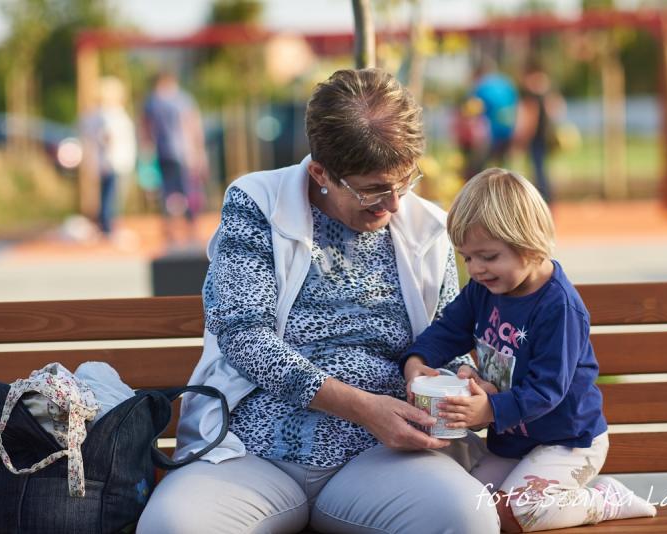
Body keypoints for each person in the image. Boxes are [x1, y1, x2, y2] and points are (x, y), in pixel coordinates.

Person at [136, 68, 500, 533]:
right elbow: (245, 338)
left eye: (404, 181)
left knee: (464, 517)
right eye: (371, 190)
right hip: (253, 453)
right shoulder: (258, 205)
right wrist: (363, 407)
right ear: (320, 172)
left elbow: (448, 339)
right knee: (172, 526)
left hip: (382, 457)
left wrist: (453, 376)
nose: (392, 205)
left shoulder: (427, 225)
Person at [402, 168, 657, 532]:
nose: (475, 270)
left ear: (529, 244)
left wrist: (489, 409)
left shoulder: (559, 307)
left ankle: (603, 498)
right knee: (473, 507)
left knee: (521, 513)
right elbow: (448, 329)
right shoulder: (485, 289)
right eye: (466, 257)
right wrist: (417, 361)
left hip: (569, 442)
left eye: (487, 256)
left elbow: (547, 389)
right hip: (515, 441)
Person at [142, 72, 207, 246]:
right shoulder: (183, 100)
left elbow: (146, 127)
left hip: (162, 152)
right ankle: (191, 227)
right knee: (188, 189)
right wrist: (198, 151)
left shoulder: (152, 101)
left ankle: (169, 228)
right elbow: (192, 124)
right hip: (184, 152)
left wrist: (147, 148)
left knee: (166, 190)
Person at [81, 76, 136, 239]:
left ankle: (105, 224)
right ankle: (107, 226)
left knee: (107, 194)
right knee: (111, 195)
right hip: (114, 161)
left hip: (106, 161)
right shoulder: (109, 114)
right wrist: (109, 153)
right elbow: (108, 136)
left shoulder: (94, 114)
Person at [514, 59, 565, 205]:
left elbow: (531, 116)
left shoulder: (532, 93)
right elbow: (557, 108)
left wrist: (523, 136)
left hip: (536, 137)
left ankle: (543, 201)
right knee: (542, 169)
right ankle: (546, 199)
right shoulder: (547, 89)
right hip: (544, 135)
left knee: (538, 171)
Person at [472, 60, 519, 168]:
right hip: (508, 127)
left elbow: (474, 108)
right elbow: (516, 104)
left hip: (490, 130)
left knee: (483, 162)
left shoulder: (482, 87)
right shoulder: (507, 83)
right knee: (503, 163)